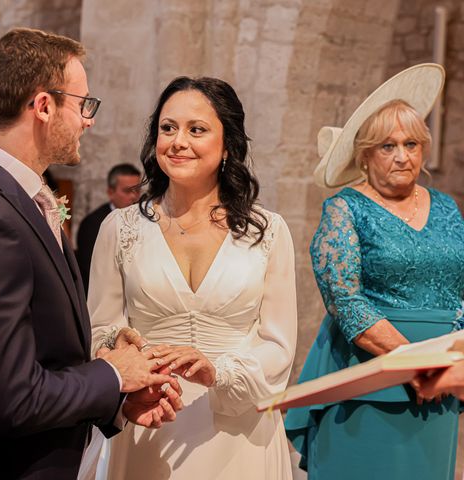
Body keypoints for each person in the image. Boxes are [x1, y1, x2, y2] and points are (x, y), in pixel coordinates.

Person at [0, 28, 182, 480]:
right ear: (44, 106)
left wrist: (117, 402)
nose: (89, 120)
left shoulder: (22, 199)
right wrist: (111, 374)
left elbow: (47, 356)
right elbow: (14, 399)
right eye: (83, 104)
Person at [89, 76, 298, 479]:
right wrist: (120, 345)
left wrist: (219, 371)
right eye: (168, 128)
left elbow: (278, 344)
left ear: (227, 145)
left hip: (238, 426)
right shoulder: (120, 228)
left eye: (196, 129)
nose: (178, 141)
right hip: (150, 418)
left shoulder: (268, 231)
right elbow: (99, 326)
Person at [284, 64, 464, 480]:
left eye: (412, 144)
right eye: (387, 146)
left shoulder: (448, 208)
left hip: (439, 390)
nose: (403, 156)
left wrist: (450, 364)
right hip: (368, 380)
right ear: (364, 155)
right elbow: (345, 300)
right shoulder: (344, 209)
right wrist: (415, 365)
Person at [76, 163, 141, 293]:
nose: (134, 196)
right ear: (110, 192)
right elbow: (92, 269)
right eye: (127, 191)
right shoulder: (92, 224)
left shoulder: (144, 218)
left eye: (137, 190)